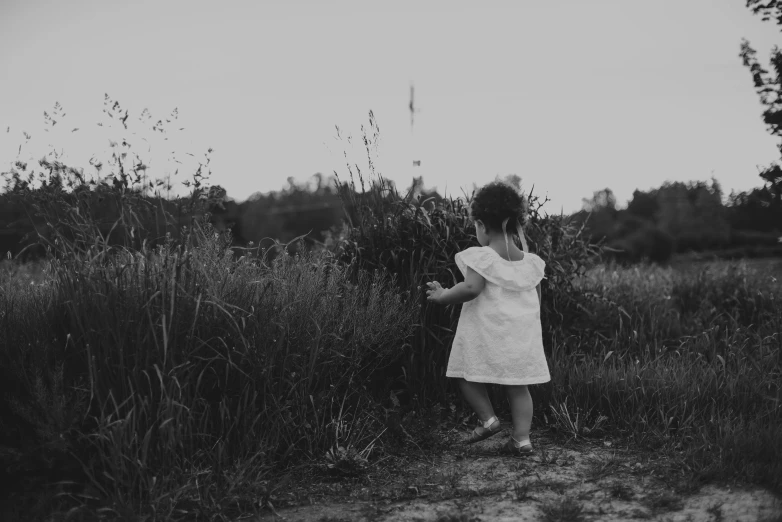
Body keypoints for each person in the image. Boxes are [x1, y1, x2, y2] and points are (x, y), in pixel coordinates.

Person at [426, 181, 550, 454]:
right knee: (519, 388)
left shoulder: (482, 257)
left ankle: (489, 419)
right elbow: (536, 302)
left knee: (465, 375)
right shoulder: (532, 264)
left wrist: (443, 295)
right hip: (520, 339)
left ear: (482, 224)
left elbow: (471, 288)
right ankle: (522, 439)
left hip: (487, 336)